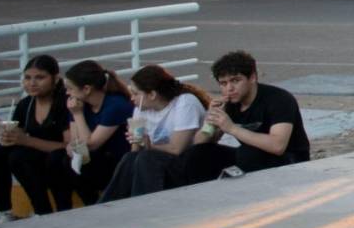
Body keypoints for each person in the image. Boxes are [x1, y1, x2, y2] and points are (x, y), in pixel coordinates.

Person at [183, 51, 310, 183]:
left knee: (247, 153)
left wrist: (231, 128)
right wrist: (210, 121)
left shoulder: (279, 99)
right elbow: (200, 143)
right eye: (223, 83)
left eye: (235, 81)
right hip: (252, 157)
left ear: (253, 77)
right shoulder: (231, 103)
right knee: (198, 154)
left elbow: (278, 146)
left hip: (291, 161)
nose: (229, 88)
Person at [100, 66, 208, 201]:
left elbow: (177, 149)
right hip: (157, 163)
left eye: (136, 93)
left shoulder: (184, 103)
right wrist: (137, 141)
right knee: (130, 158)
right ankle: (105, 205)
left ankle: (142, 207)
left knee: (147, 157)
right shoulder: (141, 109)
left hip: (187, 162)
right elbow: (135, 152)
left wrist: (150, 145)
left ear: (152, 94)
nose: (132, 98)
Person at [0, 54, 70, 225]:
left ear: (55, 79)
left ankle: (43, 211)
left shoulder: (65, 103)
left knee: (19, 157)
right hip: (35, 155)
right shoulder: (26, 104)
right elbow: (19, 136)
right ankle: (4, 211)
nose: (32, 83)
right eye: (27, 78)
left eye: (40, 77)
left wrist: (25, 140)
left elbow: (68, 145)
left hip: (60, 159)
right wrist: (7, 134)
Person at [60, 60, 134, 208]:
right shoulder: (80, 104)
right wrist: (71, 146)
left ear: (86, 89)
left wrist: (78, 114)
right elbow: (77, 142)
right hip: (99, 159)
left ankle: (95, 205)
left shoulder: (115, 105)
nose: (67, 93)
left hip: (119, 162)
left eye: (70, 88)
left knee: (82, 162)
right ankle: (84, 204)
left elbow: (91, 145)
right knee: (59, 159)